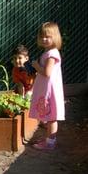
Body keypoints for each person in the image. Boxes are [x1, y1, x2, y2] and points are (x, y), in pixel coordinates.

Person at [28, 22, 65, 150]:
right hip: (47, 89)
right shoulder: (48, 52)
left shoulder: (51, 54)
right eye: (42, 36)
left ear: (55, 37)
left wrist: (36, 66)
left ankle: (50, 143)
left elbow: (47, 72)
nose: (44, 39)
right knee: (49, 117)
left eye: (48, 37)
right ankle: (49, 139)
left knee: (51, 117)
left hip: (50, 90)